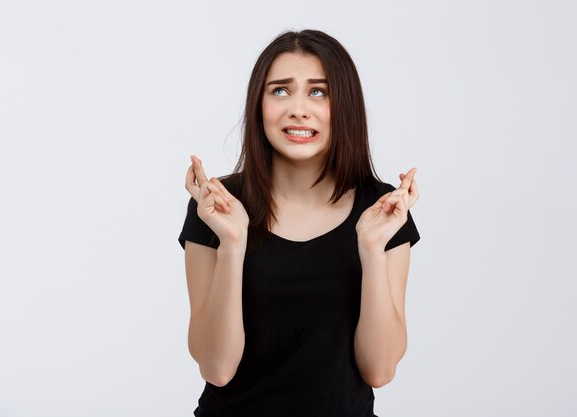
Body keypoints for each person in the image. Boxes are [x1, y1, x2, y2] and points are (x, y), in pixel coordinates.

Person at [178, 29, 421, 417]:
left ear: (345, 106)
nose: (298, 109)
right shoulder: (217, 206)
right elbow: (217, 368)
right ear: (258, 104)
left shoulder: (381, 209)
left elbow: (380, 369)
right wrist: (233, 244)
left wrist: (373, 251)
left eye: (318, 91)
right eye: (279, 91)